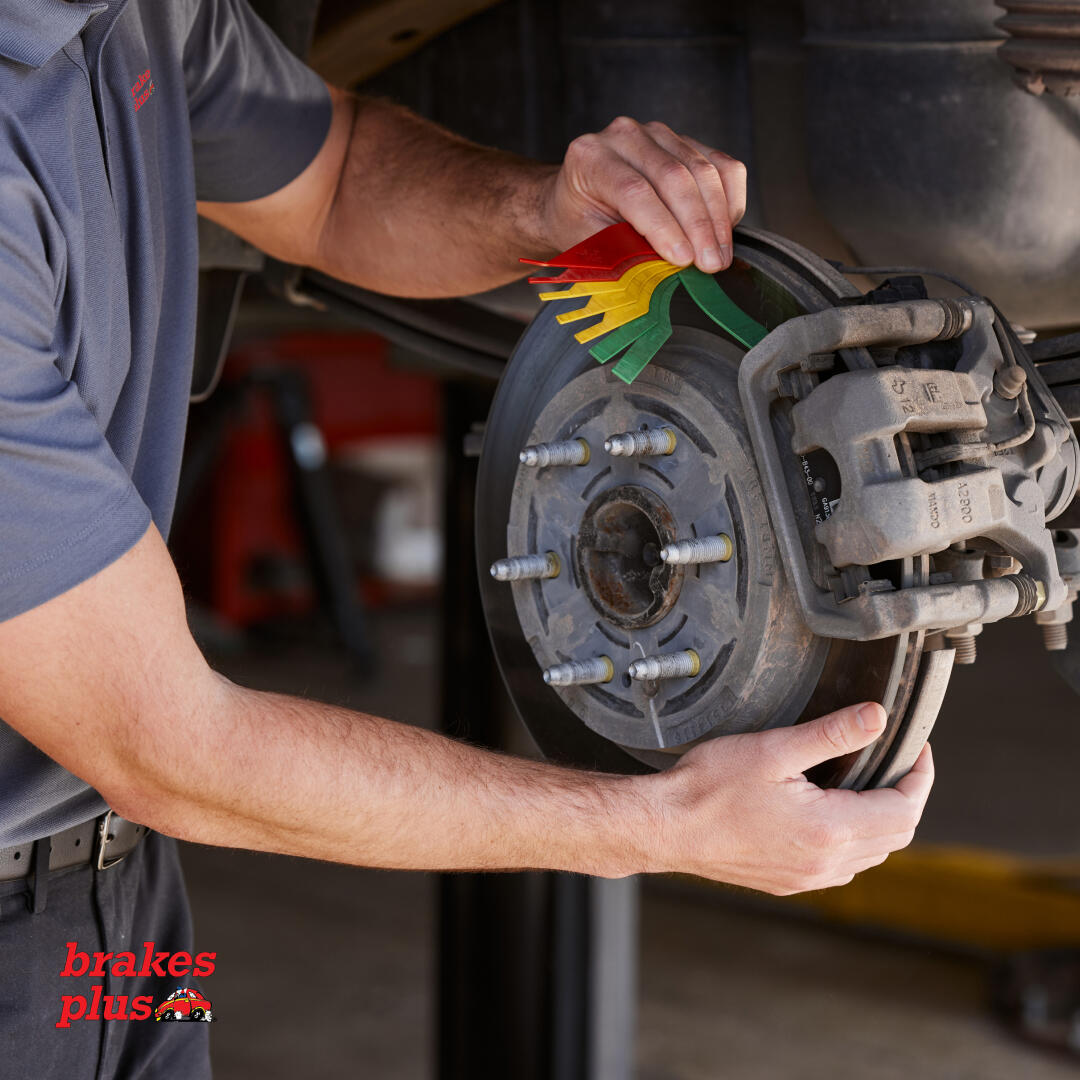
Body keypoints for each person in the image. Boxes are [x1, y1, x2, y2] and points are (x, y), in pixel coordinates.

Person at [0, 1, 933, 1075]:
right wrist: (664, 824)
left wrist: (542, 208)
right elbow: (171, 751)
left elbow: (334, 178)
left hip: (123, 907)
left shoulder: (139, 13)